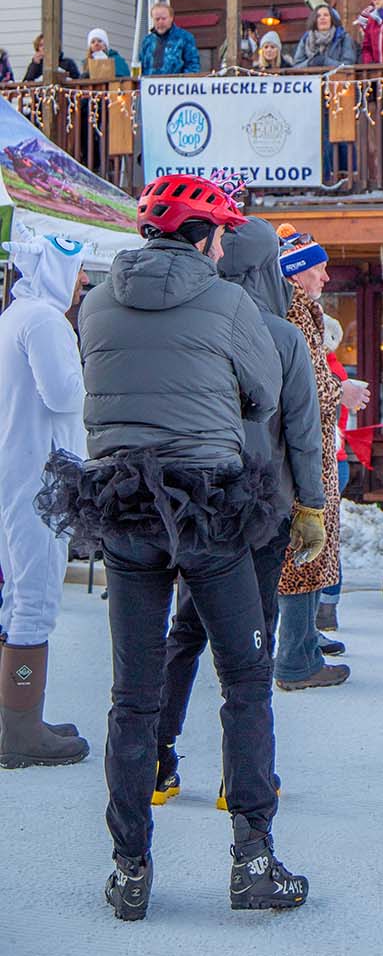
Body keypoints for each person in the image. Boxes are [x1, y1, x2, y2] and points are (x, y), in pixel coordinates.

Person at [36, 174, 307, 918]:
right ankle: (254, 858)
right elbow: (262, 395)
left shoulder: (95, 303)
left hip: (123, 503)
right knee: (245, 678)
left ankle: (130, 871)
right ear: (205, 237)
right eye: (222, 234)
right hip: (212, 504)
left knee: (133, 694)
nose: (226, 246)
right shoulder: (226, 302)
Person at [154, 215, 329, 805]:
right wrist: (313, 506)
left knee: (186, 630)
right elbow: (304, 435)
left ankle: (158, 758)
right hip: (265, 510)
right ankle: (243, 776)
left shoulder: (191, 327)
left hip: (200, 506)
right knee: (253, 643)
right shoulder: (281, 336)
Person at [0, 235, 89, 770]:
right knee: (35, 599)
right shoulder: (46, 322)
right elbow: (63, 395)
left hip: (18, 471)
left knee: (16, 596)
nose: (82, 281)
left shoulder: (14, 315)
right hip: (43, 480)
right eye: (77, 269)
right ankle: (21, 732)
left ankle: (16, 714)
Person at [274, 232, 349, 690]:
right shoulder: (298, 313)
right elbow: (311, 389)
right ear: (298, 270)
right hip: (306, 452)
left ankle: (301, 644)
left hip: (304, 448)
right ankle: (297, 658)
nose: (326, 274)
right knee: (306, 546)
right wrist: (344, 391)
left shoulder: (299, 311)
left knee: (306, 546)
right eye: (318, 266)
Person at [315, 314, 370, 632]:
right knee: (325, 535)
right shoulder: (335, 368)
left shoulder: (328, 370)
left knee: (321, 537)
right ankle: (326, 607)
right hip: (337, 459)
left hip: (329, 460)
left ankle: (325, 606)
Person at [138, 2, 201, 76]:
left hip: (176, 85)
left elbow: (193, 66)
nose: (160, 22)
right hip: (150, 85)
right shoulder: (147, 41)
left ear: (171, 18)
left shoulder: (184, 38)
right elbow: (140, 66)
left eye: (164, 18)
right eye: (157, 19)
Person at [292, 4, 357, 69]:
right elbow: (297, 65)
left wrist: (325, 61)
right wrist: (310, 62)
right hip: (311, 78)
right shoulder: (305, 39)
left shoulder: (343, 37)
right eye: (318, 16)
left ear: (332, 19)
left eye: (326, 15)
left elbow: (348, 64)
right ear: (314, 20)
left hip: (337, 78)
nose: (322, 18)